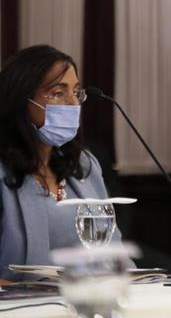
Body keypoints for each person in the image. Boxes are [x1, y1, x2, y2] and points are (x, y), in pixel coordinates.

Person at [0, 45, 124, 280]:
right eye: (58, 93)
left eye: (76, 92)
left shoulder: (84, 165)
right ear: (21, 100)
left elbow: (113, 250)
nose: (73, 104)